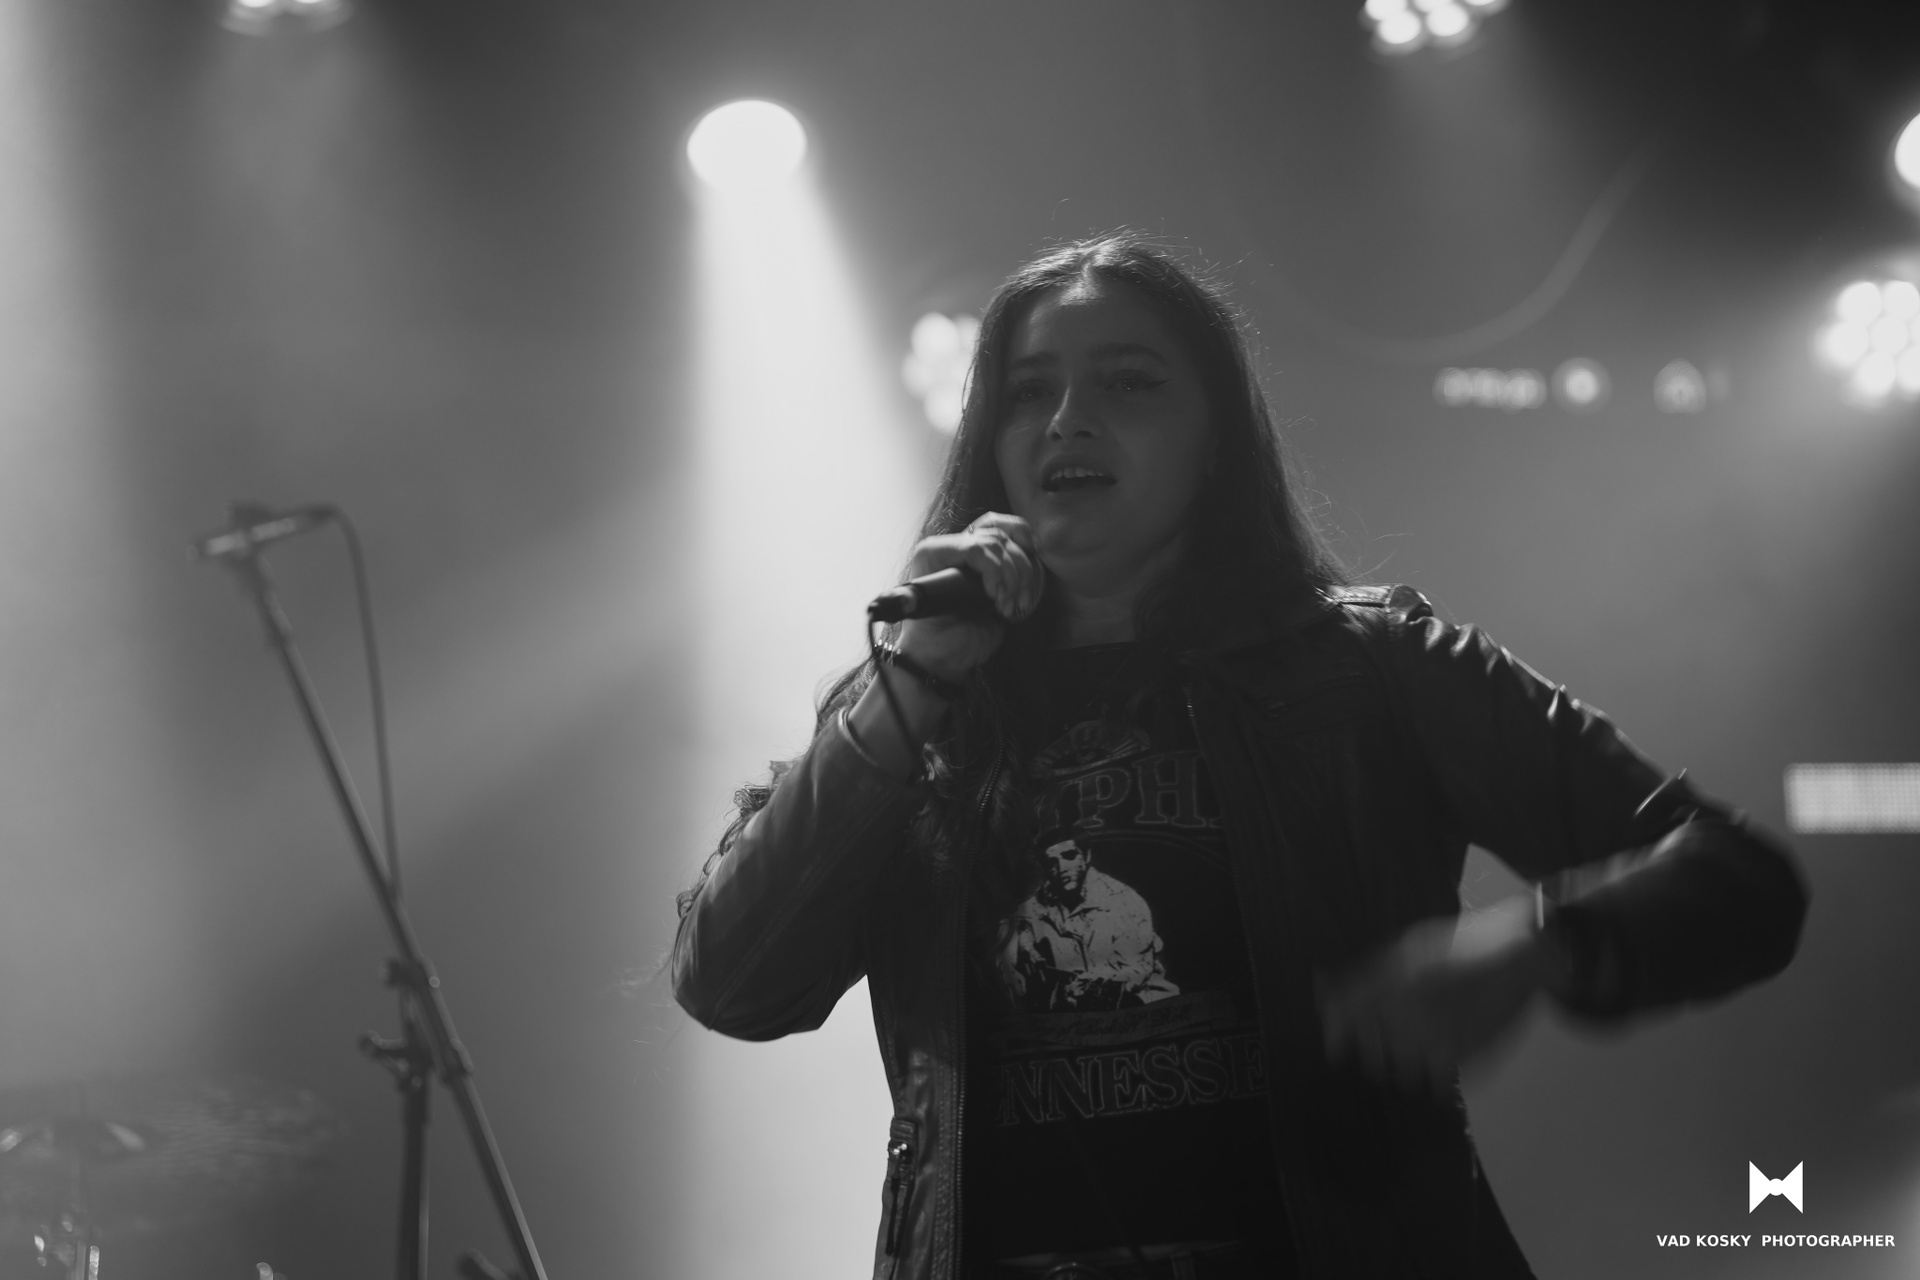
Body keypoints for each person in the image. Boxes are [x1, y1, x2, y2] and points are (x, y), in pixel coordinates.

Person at [670, 232, 1808, 1280]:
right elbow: (734, 979)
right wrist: (913, 680)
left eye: (1127, 382)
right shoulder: (913, 703)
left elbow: (1738, 876)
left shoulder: (1374, 664)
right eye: (1028, 390)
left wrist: (1536, 944)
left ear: (1216, 439)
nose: (1067, 420)